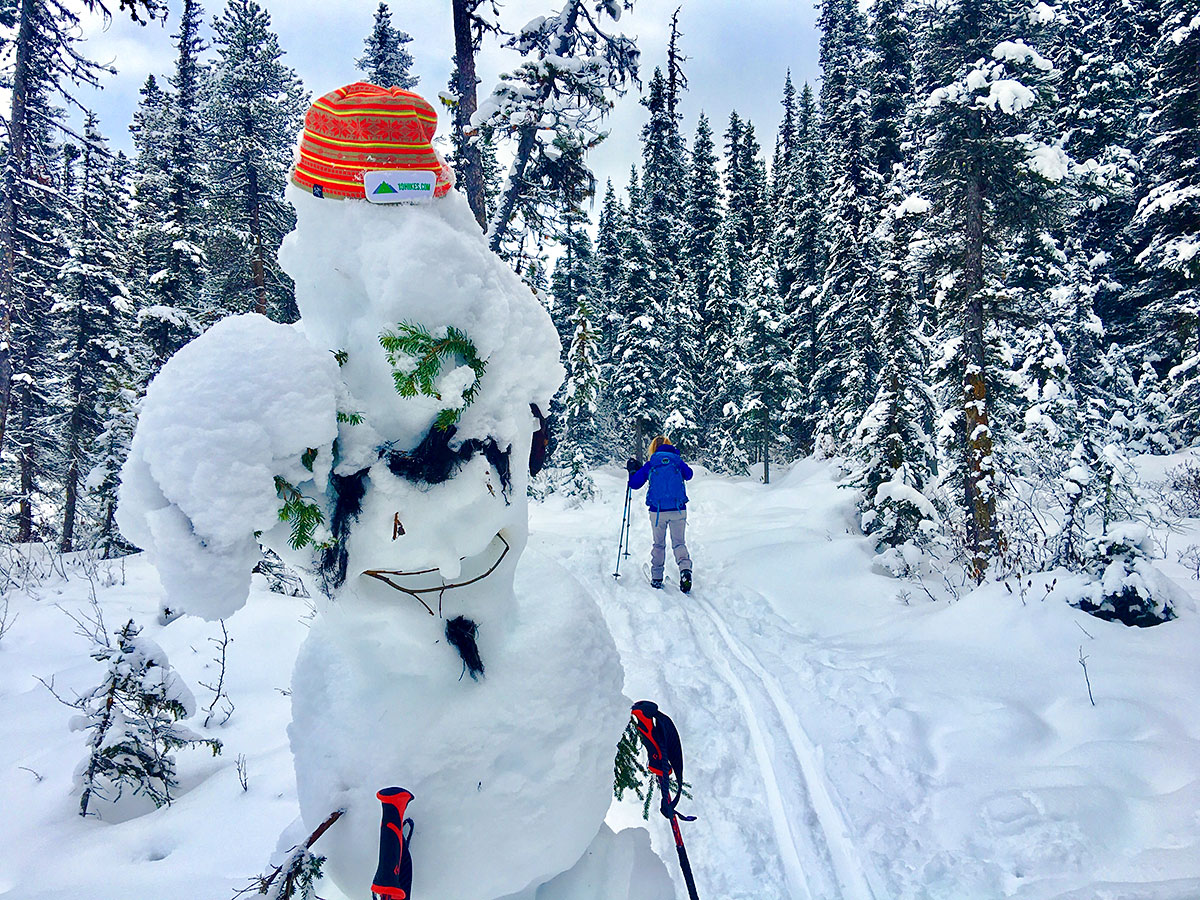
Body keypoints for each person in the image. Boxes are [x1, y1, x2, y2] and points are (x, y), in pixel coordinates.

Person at [627, 435, 694, 593]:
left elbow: (634, 484)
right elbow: (689, 475)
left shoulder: (652, 463)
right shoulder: (677, 460)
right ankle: (685, 570)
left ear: (653, 448)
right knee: (679, 543)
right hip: (678, 509)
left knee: (659, 544)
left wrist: (632, 470)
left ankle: (657, 578)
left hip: (657, 512)